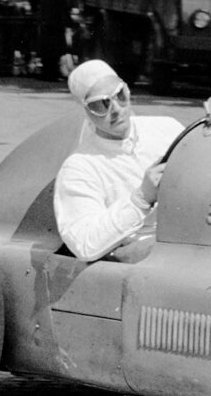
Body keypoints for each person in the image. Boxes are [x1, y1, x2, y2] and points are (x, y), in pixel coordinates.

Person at [54, 59, 184, 262]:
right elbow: (84, 243)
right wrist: (141, 198)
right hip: (137, 260)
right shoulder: (80, 166)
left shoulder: (168, 129)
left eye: (120, 96)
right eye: (101, 104)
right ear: (87, 110)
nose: (116, 109)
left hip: (189, 240)